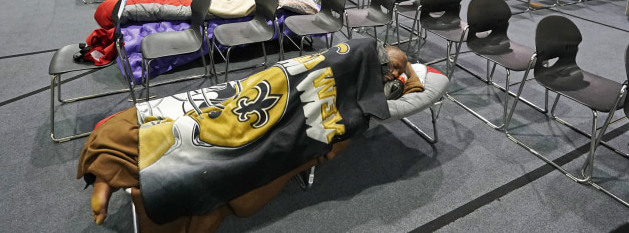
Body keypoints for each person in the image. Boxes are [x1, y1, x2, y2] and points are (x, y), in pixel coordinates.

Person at [77, 42, 429, 231]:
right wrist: (392, 67)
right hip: (277, 84)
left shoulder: (379, 79)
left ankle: (113, 174)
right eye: (394, 67)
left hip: (294, 106)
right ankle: (114, 168)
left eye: (399, 70)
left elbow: (410, 85)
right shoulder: (360, 54)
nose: (397, 73)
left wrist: (399, 78)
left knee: (219, 143)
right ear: (382, 59)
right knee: (212, 121)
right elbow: (320, 65)